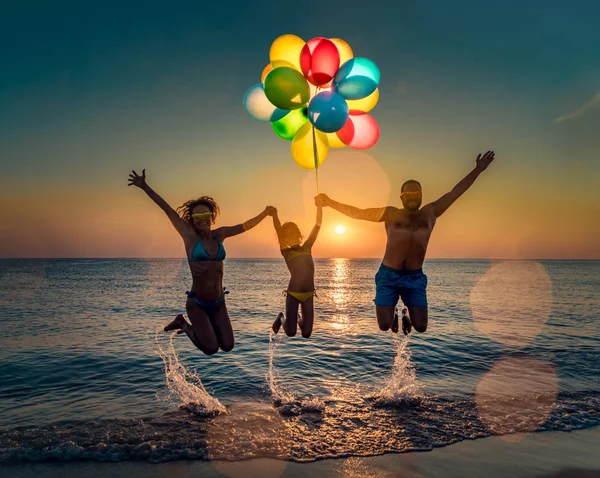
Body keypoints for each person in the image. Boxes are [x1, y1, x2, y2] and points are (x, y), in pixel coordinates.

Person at [315, 151, 495, 335]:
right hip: (388, 276)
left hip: (414, 278)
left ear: (422, 195)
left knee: (421, 327)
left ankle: (405, 315)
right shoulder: (391, 214)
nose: (412, 197)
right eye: (408, 194)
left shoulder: (430, 212)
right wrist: (330, 202)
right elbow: (359, 213)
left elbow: (455, 192)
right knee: (384, 325)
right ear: (401, 197)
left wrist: (478, 170)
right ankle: (392, 314)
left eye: (416, 193)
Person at [128, 169, 275, 354]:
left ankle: (204, 327)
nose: (202, 220)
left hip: (219, 301)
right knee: (211, 348)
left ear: (211, 216)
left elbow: (244, 226)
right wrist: (144, 187)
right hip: (197, 302)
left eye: (206, 215)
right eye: (197, 217)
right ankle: (183, 323)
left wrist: (265, 213)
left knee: (228, 346)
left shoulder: (219, 235)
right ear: (193, 220)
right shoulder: (189, 237)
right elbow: (168, 209)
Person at [270, 205, 322, 338]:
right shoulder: (286, 252)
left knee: (306, 333)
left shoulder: (307, 247)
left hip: (308, 294)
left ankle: (297, 317)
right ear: (285, 239)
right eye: (288, 236)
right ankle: (281, 317)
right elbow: (278, 229)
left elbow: (317, 226)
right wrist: (275, 215)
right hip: (293, 293)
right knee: (291, 332)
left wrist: (320, 207)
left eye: (294, 234)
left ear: (299, 235)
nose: (292, 237)